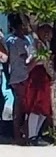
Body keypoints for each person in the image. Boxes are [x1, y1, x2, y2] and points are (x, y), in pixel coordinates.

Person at [23, 24, 56, 145]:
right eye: (44, 31)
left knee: (44, 108)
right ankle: (31, 136)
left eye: (49, 32)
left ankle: (36, 135)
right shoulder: (34, 45)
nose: (47, 34)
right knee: (35, 107)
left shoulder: (46, 45)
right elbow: (29, 65)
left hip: (45, 76)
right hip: (36, 76)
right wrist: (39, 57)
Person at [5, 17, 33, 145]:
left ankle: (26, 133)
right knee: (19, 107)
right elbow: (24, 58)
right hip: (19, 76)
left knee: (27, 106)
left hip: (27, 75)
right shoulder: (13, 41)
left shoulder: (27, 39)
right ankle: (17, 135)